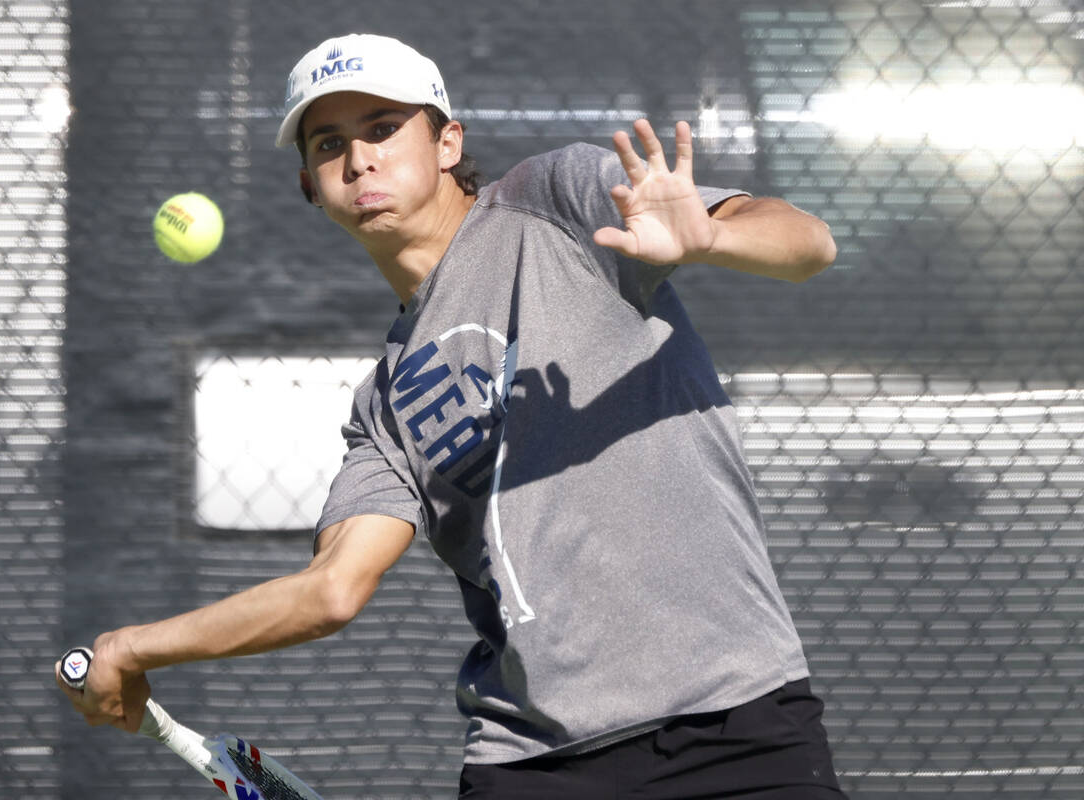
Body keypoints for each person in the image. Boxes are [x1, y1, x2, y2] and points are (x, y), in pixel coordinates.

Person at [58, 32, 845, 799]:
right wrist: (132, 646)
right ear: (310, 186)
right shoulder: (383, 410)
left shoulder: (556, 200)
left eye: (382, 128)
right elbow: (330, 591)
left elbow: (810, 244)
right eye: (329, 144)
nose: (359, 158)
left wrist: (712, 236)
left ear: (447, 143)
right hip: (537, 764)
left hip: (737, 723)